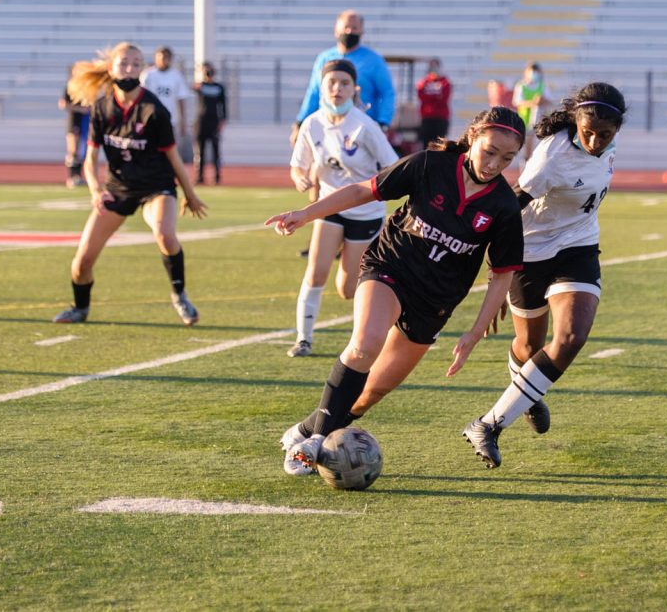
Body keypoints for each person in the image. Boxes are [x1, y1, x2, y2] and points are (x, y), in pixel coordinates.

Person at [265, 106, 527, 475]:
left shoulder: (503, 206)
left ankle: (307, 429)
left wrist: (474, 333)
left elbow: (502, 275)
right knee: (365, 345)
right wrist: (306, 214)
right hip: (390, 268)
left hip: (434, 302)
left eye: (507, 158)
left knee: (371, 392)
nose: (495, 164)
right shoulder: (428, 165)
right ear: (472, 138)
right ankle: (315, 443)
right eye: (490, 151)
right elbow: (365, 190)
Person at [462, 82, 627, 469]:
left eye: (605, 135)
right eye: (588, 132)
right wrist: (498, 273)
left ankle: (488, 424)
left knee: (570, 338)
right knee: (528, 347)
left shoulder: (610, 142)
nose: (595, 141)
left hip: (579, 247)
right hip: (530, 252)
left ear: (617, 130)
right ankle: (527, 394)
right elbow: (509, 206)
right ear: (577, 122)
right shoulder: (553, 157)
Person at [52, 41, 207, 326]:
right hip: (118, 188)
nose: (130, 68)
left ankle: (179, 295)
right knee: (82, 262)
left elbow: (173, 157)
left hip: (156, 187)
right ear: (111, 69)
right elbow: (90, 159)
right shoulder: (102, 108)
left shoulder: (153, 109)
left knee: (165, 235)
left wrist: (190, 194)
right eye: (124, 63)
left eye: (136, 64)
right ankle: (80, 308)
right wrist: (95, 190)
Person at [287, 59, 398, 358]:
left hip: (365, 212)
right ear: (321, 87)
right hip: (330, 206)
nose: (337, 88)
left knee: (348, 289)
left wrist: (379, 192)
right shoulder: (312, 123)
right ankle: (303, 339)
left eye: (344, 83)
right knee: (316, 272)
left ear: (354, 89)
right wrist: (300, 178)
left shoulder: (365, 126)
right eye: (331, 83)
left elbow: (392, 166)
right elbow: (298, 165)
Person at [291, 9, 396, 258]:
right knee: (320, 177)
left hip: (359, 131)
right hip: (327, 126)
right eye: (346, 27)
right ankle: (323, 232)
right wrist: (300, 121)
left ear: (362, 30)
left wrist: (383, 122)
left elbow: (387, 92)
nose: (350, 32)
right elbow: (313, 92)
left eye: (355, 28)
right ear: (336, 29)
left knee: (355, 178)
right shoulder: (324, 57)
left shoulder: (373, 60)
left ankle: (353, 231)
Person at [140, 46, 190, 139]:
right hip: (150, 119)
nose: (163, 60)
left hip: (169, 120)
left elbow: (181, 99)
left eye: (166, 57)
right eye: (161, 57)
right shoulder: (148, 75)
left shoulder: (176, 76)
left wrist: (183, 121)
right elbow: (140, 97)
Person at [512, 62, 552, 167]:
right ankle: (524, 168)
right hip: (525, 121)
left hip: (540, 121)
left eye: (536, 72)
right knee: (526, 149)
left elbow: (549, 101)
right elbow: (517, 101)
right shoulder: (521, 85)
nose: (534, 74)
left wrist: (542, 101)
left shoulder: (542, 85)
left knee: (538, 149)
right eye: (532, 72)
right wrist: (533, 102)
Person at [193, 61, 227, 184]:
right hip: (202, 121)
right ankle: (200, 176)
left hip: (214, 121)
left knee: (215, 150)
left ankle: (217, 176)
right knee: (200, 150)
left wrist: (222, 120)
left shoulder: (219, 87)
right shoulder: (200, 86)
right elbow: (193, 87)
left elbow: (223, 105)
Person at [58, 65, 91, 189]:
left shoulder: (86, 87)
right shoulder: (70, 86)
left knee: (83, 151)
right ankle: (72, 177)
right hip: (74, 121)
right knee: (73, 150)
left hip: (86, 121)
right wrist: (81, 109)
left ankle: (78, 176)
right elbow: (63, 104)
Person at [416, 58, 452, 149]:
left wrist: (430, 96)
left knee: (439, 145)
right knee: (426, 145)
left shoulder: (445, 82)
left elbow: (444, 98)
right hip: (427, 118)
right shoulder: (424, 82)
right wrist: (436, 96)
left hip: (441, 118)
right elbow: (421, 95)